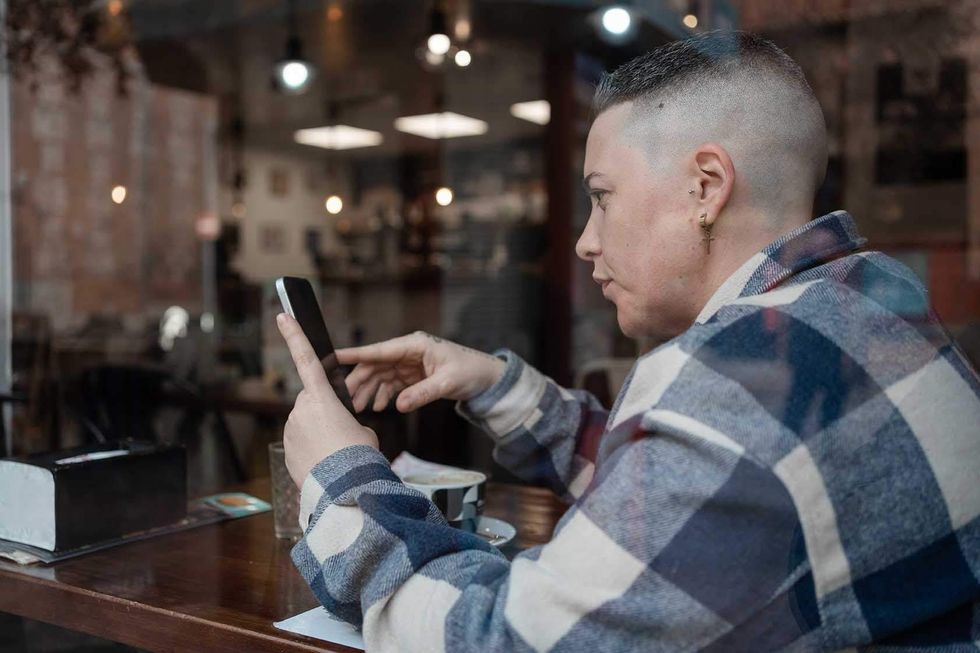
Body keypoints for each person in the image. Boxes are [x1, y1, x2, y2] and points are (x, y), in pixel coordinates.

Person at [276, 31, 980, 652]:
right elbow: (690, 506)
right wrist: (495, 383)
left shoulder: (741, 386)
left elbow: (501, 640)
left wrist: (343, 482)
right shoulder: (866, 298)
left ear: (707, 186)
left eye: (603, 195)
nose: (585, 239)